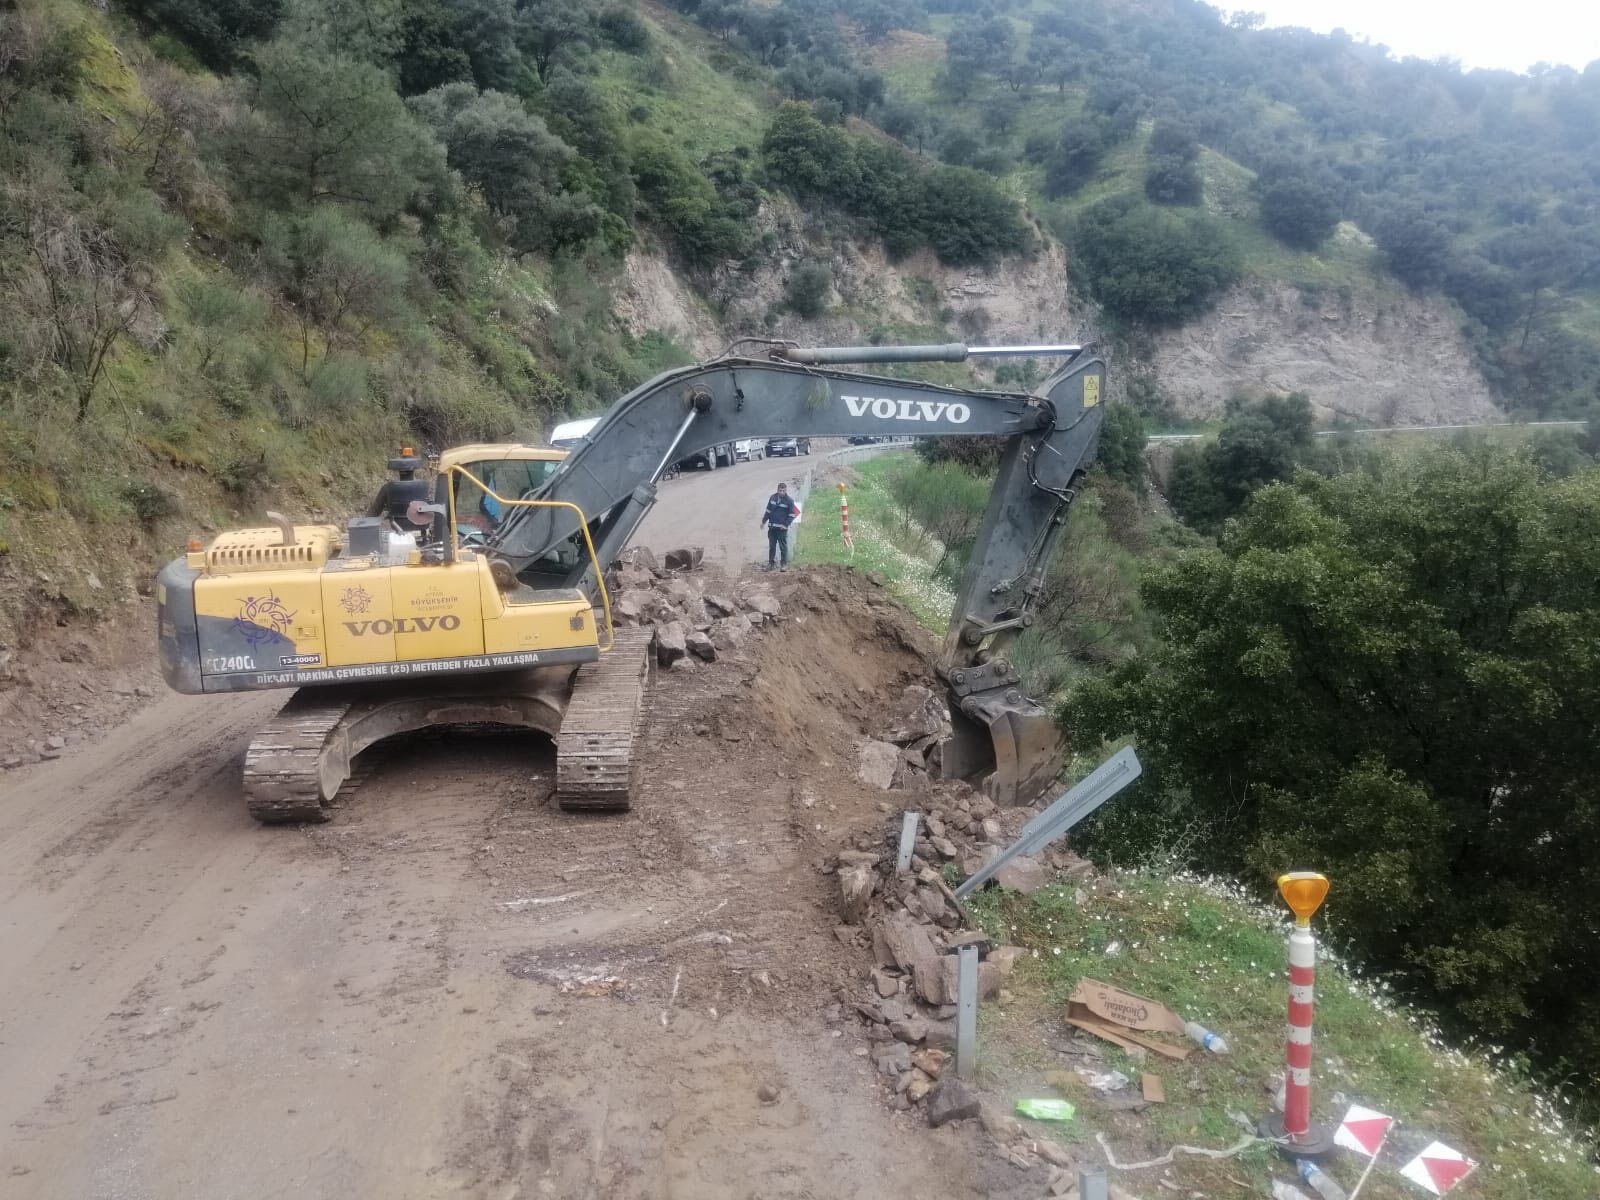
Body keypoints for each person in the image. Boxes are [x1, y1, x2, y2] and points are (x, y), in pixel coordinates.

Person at [760, 481, 797, 570]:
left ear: (786, 490)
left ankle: (783, 564)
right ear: (777, 490)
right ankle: (771, 564)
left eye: (783, 490)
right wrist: (763, 521)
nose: (782, 492)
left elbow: (792, 515)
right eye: (780, 490)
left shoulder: (789, 501)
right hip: (772, 527)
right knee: (772, 546)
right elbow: (768, 511)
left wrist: (786, 525)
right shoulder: (772, 498)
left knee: (783, 546)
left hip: (782, 529)